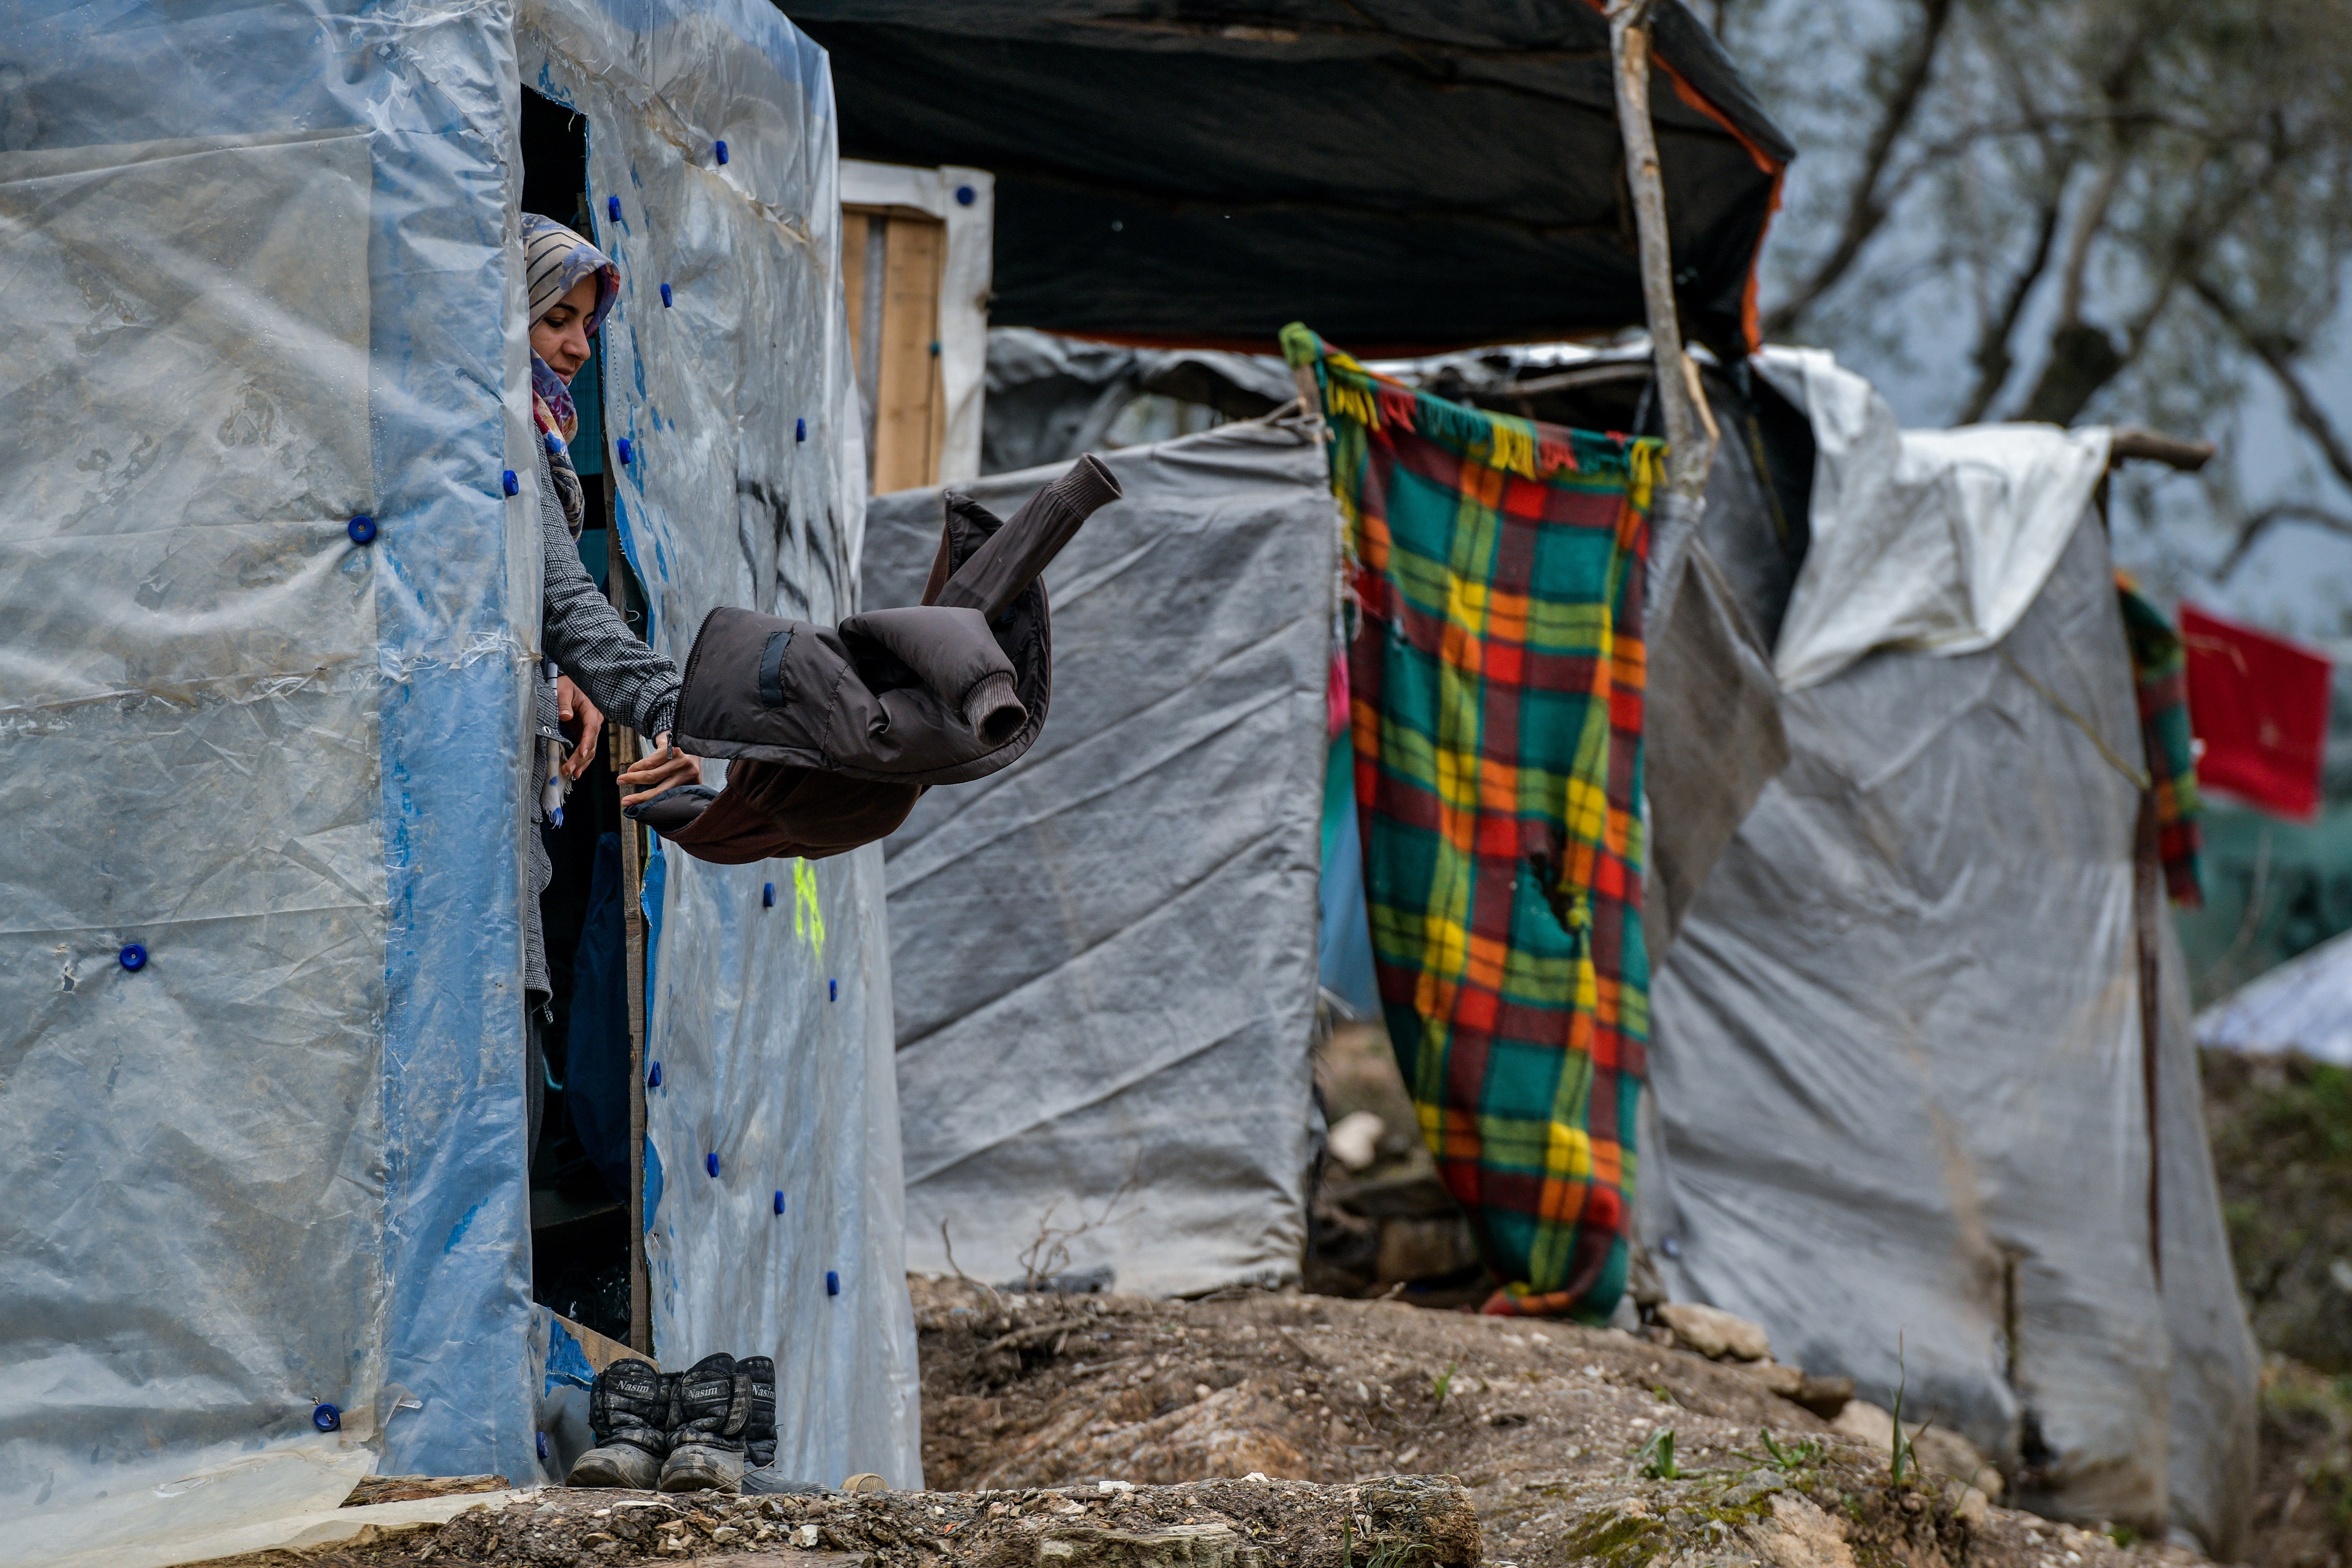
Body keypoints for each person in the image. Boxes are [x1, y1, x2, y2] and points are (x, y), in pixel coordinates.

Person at [519, 212, 698, 1156]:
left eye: (588, 325)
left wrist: (556, 676)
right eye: (556, 320)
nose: (579, 346)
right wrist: (678, 705)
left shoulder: (532, 436)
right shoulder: (505, 433)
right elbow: (565, 603)